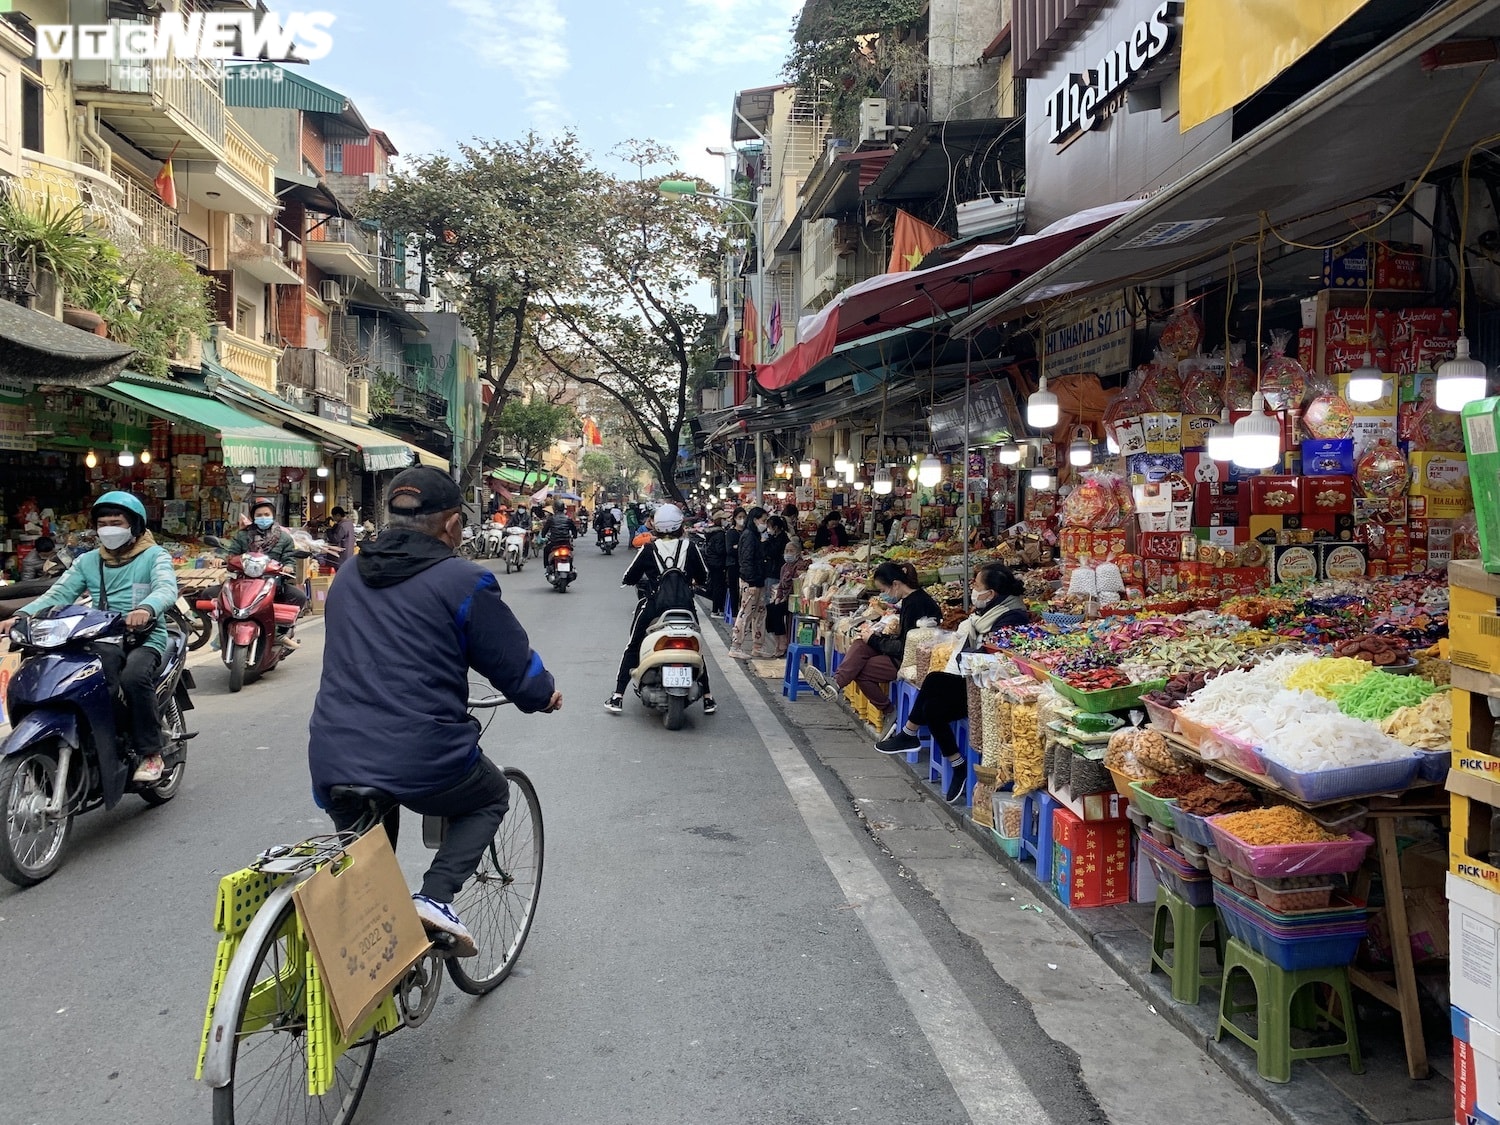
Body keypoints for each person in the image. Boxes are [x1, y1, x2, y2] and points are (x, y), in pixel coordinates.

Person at [308, 466, 561, 955]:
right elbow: (514, 668)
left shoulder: (346, 576)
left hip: (334, 753)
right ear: (450, 526)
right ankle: (436, 897)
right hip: (423, 756)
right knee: (489, 794)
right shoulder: (463, 580)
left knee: (365, 869)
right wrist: (541, 694)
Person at [4, 493, 178, 782]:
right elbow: (58, 594)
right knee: (81, 680)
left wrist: (146, 608)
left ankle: (150, 753)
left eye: (116, 522)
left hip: (144, 637)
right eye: (103, 523)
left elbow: (166, 588)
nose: (109, 528)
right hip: (100, 637)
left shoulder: (154, 555)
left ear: (133, 525)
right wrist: (21, 615)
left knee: (133, 678)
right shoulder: (88, 561)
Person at [870, 563, 1032, 802]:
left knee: (934, 684)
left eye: (976, 585)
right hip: (976, 680)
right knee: (932, 705)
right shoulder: (989, 611)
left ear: (992, 593)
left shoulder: (1012, 616)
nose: (972, 589)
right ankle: (957, 764)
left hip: (991, 688)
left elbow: (995, 655)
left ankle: (910, 735)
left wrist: (967, 648)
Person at [604, 502, 716, 716]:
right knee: (697, 648)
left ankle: (618, 695)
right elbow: (704, 577)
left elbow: (629, 577)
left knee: (633, 645)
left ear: (655, 526)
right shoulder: (689, 547)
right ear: (680, 526)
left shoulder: (648, 548)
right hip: (686, 607)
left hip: (654, 607)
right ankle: (708, 698)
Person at [816, 561, 939, 716]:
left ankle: (889, 712)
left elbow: (905, 647)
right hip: (902, 651)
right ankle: (836, 682)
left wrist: (874, 639)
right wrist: (874, 637)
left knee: (861, 671)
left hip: (912, 660)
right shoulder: (910, 599)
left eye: (883, 590)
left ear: (895, 584)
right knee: (861, 643)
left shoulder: (917, 604)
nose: (883, 595)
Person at [227, 498, 308, 614]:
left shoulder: (284, 538)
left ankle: (284, 628)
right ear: (253, 517)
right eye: (259, 515)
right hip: (244, 583)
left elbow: (289, 558)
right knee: (209, 594)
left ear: (273, 516)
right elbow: (232, 553)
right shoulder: (242, 535)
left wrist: (288, 566)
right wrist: (222, 559)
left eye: (266, 514)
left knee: (299, 597)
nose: (263, 517)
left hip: (274, 583)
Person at [728, 506, 769, 659]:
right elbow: (746, 561)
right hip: (750, 582)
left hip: (758, 580)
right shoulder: (748, 536)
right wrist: (751, 583)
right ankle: (735, 646)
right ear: (755, 520)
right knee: (746, 613)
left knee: (760, 614)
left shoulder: (755, 535)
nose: (764, 524)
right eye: (763, 521)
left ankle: (758, 646)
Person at [765, 539, 807, 659]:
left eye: (791, 551)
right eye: (786, 551)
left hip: (794, 598)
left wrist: (784, 598)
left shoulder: (800, 566)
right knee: (770, 608)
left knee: (777, 610)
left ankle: (783, 641)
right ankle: (778, 639)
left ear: (798, 552)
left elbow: (795, 585)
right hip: (783, 597)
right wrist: (778, 597)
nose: (788, 553)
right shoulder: (784, 566)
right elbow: (780, 585)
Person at [701, 509, 730, 615]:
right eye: (724, 519)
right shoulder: (720, 534)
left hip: (712, 562)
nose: (726, 521)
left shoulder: (711, 532)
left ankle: (716, 609)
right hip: (718, 563)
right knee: (719, 586)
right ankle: (717, 610)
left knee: (715, 585)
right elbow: (720, 550)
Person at [321, 506, 355, 572]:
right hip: (348, 553)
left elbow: (335, 539)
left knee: (340, 572)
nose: (333, 519)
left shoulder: (342, 525)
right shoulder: (349, 523)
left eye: (333, 516)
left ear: (338, 515)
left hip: (341, 555)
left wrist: (328, 530)